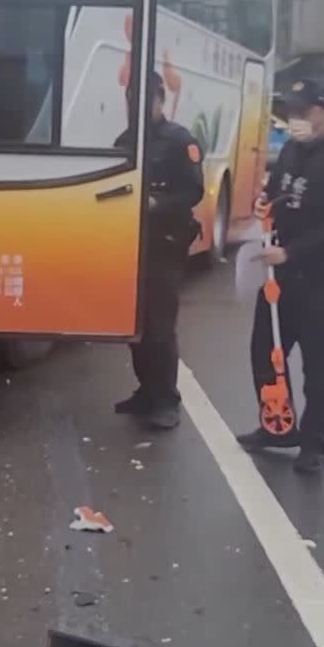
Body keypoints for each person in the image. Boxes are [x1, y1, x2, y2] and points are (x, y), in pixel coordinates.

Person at [237, 76, 324, 475]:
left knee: (317, 364)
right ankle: (277, 426)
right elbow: (280, 192)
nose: (295, 120)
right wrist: (267, 202)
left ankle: (314, 443)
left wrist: (292, 252)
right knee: (264, 352)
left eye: (304, 112)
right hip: (279, 279)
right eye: (291, 113)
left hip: (320, 280)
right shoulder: (292, 153)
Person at [115, 73, 204, 430]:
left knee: (160, 325)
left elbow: (193, 192)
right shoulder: (125, 140)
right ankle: (146, 391)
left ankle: (166, 398)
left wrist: (156, 204)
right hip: (131, 245)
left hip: (166, 244)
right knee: (133, 324)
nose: (135, 107)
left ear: (159, 100)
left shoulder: (180, 141)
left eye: (143, 100)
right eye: (130, 100)